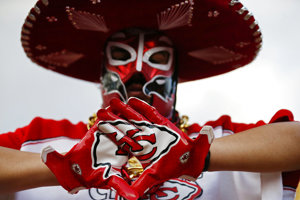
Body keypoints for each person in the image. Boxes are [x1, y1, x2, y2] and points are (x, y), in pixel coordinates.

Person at [0, 0, 299, 199]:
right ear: (101, 72)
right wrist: (65, 166)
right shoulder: (45, 141)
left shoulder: (221, 138)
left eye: (157, 58)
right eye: (121, 57)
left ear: (175, 76)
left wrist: (197, 154)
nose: (138, 74)